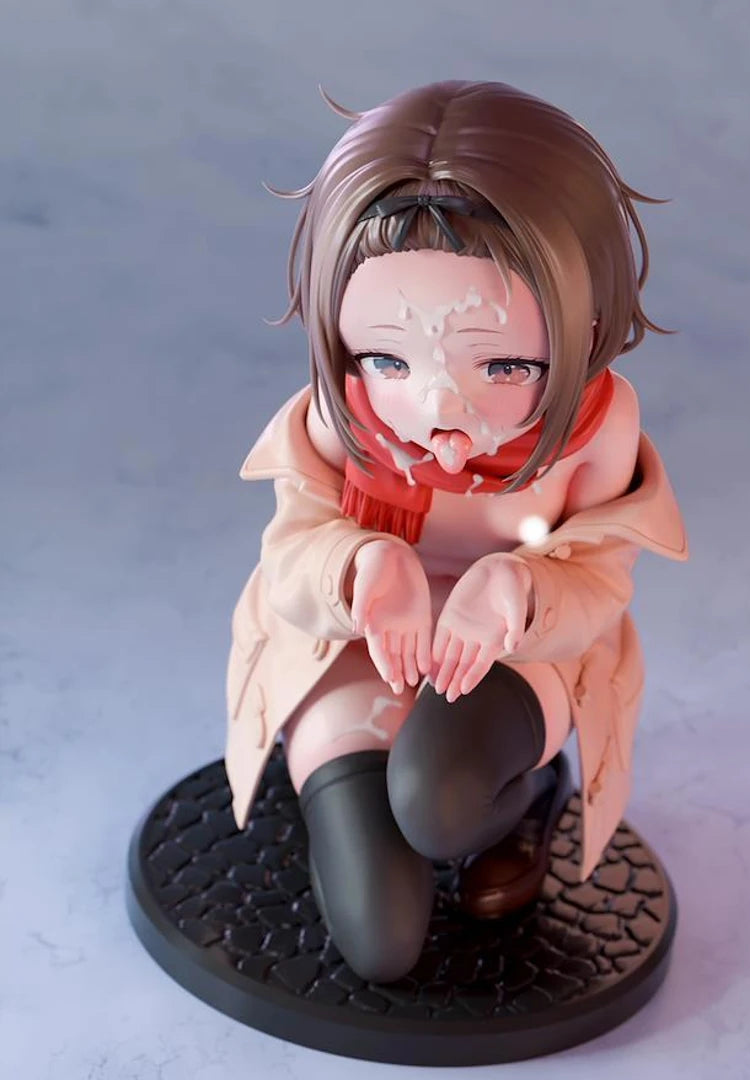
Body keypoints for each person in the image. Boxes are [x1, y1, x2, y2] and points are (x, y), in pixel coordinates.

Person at [224, 81, 688, 983]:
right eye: (388, 357)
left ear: (584, 323)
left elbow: (600, 573)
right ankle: (351, 787)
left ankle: (526, 794)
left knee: (440, 806)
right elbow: (291, 553)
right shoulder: (341, 412)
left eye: (504, 364)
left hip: (515, 650)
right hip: (357, 648)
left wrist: (519, 587)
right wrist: (363, 565)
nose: (438, 404)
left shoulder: (596, 426)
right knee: (382, 941)